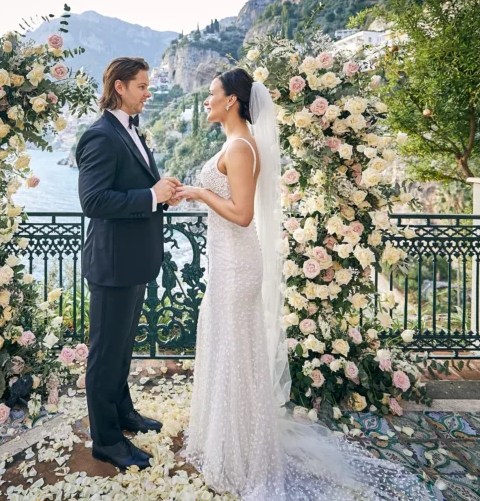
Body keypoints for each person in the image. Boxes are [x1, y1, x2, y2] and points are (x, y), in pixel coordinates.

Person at [173, 68, 434, 500]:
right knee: (229, 350)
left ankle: (240, 458)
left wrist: (199, 194)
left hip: (237, 264)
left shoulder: (239, 147)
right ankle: (228, 444)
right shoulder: (233, 143)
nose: (206, 101)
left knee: (235, 353)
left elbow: (241, 215)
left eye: (212, 94)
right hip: (227, 261)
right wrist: (193, 191)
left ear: (232, 101)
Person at [76, 57, 182, 470]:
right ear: (119, 87)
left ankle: (123, 414)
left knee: (121, 349)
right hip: (111, 265)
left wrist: (161, 194)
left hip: (133, 262)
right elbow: (94, 202)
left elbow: (137, 189)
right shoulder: (100, 136)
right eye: (141, 86)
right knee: (104, 354)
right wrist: (152, 195)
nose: (147, 92)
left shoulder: (130, 131)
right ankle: (106, 441)